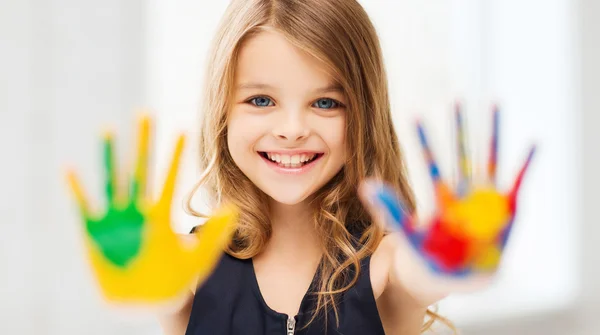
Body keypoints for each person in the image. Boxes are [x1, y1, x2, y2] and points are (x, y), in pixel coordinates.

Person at [67, 0, 534, 334]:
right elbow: (159, 291)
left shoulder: (388, 267)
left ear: (364, 116)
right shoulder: (185, 265)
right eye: (262, 100)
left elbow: (423, 274)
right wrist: (136, 273)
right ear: (222, 111)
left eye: (326, 102)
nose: (292, 129)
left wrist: (457, 258)